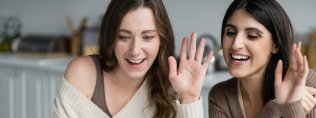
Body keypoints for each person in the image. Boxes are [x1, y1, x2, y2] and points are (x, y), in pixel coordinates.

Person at [53, 0, 213, 118]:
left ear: (161, 41)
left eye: (147, 37)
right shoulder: (83, 73)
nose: (135, 50)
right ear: (111, 37)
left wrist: (189, 97)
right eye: (124, 37)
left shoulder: (173, 87)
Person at [208, 0, 316, 117]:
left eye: (252, 36)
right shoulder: (220, 97)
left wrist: (291, 108)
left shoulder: (306, 83)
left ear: (275, 45)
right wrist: (277, 107)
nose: (235, 44)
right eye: (230, 33)